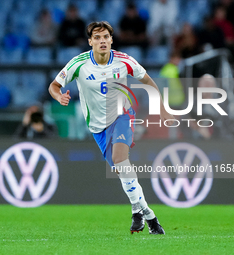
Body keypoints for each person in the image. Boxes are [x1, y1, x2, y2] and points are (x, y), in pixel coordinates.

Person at [48, 21, 175, 234]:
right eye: (97, 38)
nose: (102, 41)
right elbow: (54, 85)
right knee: (122, 172)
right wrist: (59, 95)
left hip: (122, 115)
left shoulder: (124, 61)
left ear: (111, 40)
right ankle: (145, 213)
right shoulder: (78, 64)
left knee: (120, 160)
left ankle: (144, 216)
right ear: (90, 42)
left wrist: (161, 106)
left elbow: (148, 81)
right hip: (98, 128)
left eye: (106, 37)